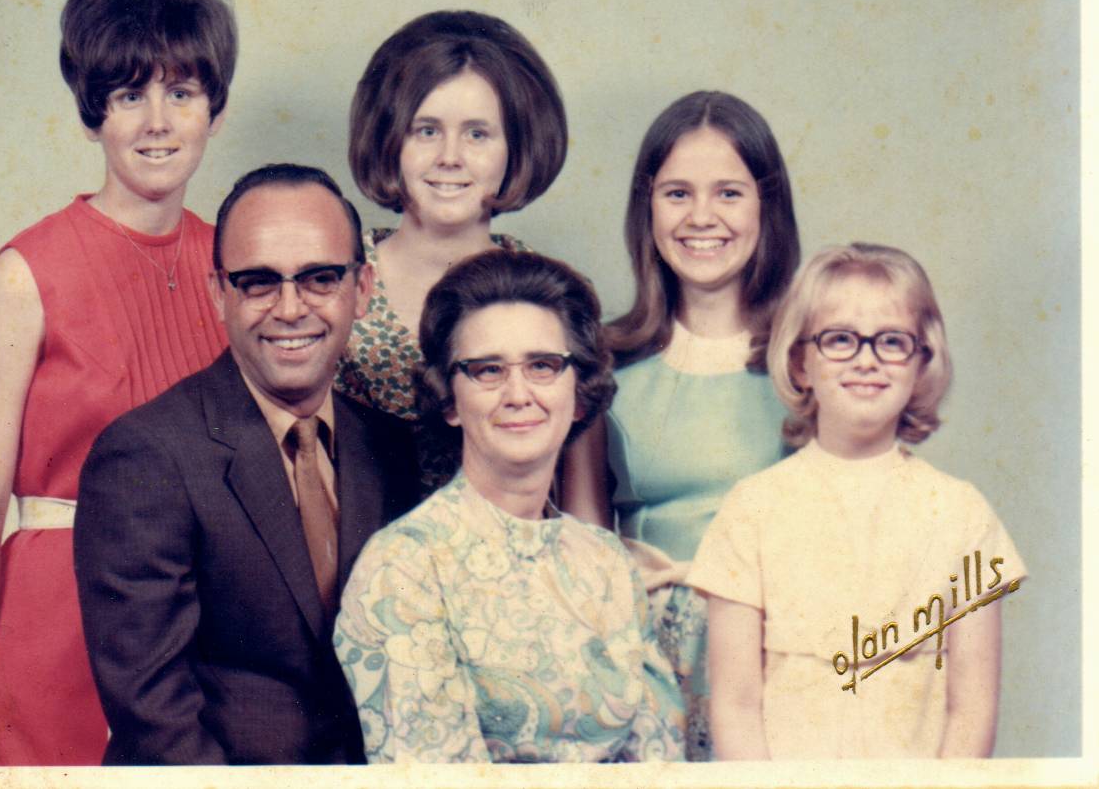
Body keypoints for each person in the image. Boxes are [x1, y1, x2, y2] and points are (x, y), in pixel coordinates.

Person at [0, 0, 237, 766]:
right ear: (92, 109)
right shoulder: (25, 274)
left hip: (198, 624)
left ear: (215, 108)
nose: (158, 123)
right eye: (130, 94)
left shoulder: (234, 269)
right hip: (56, 626)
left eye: (182, 92)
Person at [74, 164, 418, 764]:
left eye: (320, 278)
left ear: (362, 288)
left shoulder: (390, 448)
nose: (290, 308)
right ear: (218, 295)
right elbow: (155, 719)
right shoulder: (144, 456)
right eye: (258, 282)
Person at [334, 250, 686, 763]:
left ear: (579, 392)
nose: (518, 394)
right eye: (488, 370)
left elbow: (661, 754)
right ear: (449, 399)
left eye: (543, 366)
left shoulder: (607, 561)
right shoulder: (403, 567)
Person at [686, 243, 1027, 758]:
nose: (867, 360)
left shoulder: (962, 514)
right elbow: (735, 705)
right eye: (840, 339)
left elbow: (972, 710)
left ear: (921, 363)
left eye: (891, 341)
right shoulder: (752, 510)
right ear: (800, 362)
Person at [560, 90, 800, 759]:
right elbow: (585, 547)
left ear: (767, 206)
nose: (701, 217)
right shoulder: (604, 361)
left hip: (781, 658)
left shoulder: (807, 359)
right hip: (649, 665)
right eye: (677, 194)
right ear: (648, 208)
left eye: (729, 193)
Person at [339, 10, 567, 495]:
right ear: (388, 140)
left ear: (516, 148)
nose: (450, 157)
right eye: (426, 131)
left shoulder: (546, 293)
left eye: (477, 134)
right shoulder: (333, 280)